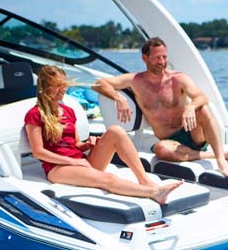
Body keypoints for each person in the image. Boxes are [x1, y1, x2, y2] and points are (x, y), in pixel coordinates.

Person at [24, 65, 183, 204]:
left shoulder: (68, 111)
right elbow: (38, 152)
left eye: (64, 84)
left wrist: (88, 144)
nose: (63, 89)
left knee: (116, 131)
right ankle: (155, 193)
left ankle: (145, 181)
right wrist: (73, 162)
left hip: (81, 161)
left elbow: (76, 144)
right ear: (44, 87)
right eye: (58, 85)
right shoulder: (35, 114)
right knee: (109, 179)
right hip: (58, 168)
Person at [92, 37, 228, 177]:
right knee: (160, 150)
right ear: (145, 58)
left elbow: (201, 96)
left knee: (203, 109)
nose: (161, 62)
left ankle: (221, 160)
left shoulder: (178, 78)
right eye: (156, 57)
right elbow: (98, 84)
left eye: (164, 57)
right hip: (170, 142)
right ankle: (213, 154)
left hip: (192, 132)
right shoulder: (135, 81)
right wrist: (119, 98)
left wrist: (191, 106)